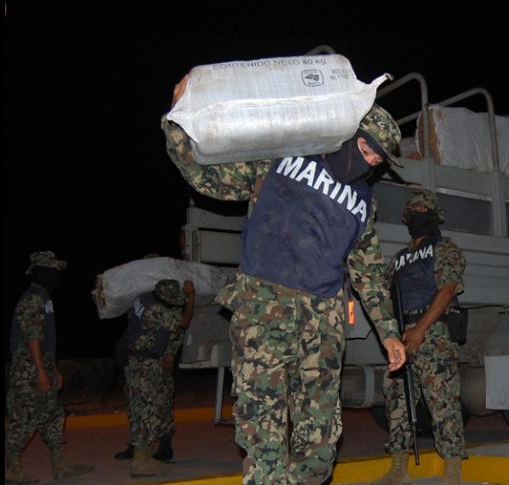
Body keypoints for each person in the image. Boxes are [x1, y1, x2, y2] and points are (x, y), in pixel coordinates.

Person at [161, 73, 407, 485]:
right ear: (348, 135)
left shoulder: (364, 203)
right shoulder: (284, 159)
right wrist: (177, 118)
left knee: (321, 447)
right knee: (264, 438)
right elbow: (207, 177)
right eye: (366, 150)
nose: (369, 163)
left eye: (377, 161)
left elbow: (368, 273)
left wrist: (389, 333)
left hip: (322, 324)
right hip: (263, 309)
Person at [376, 190, 468, 485]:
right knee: (396, 401)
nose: (418, 215)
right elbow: (384, 296)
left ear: (435, 216)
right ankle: (399, 468)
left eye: (423, 211)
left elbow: (447, 290)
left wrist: (420, 330)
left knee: (442, 402)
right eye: (413, 211)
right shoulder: (399, 259)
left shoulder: (445, 248)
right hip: (403, 335)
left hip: (433, 334)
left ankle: (452, 471)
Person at [5, 251, 94, 483]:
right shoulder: (34, 298)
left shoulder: (44, 297)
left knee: (53, 414)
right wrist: (41, 371)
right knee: (24, 419)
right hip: (28, 371)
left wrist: (53, 369)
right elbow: (33, 337)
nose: (56, 276)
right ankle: (11, 467)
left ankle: (60, 465)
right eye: (53, 271)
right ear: (43, 272)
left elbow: (46, 341)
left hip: (40, 366)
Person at [119, 278, 195, 476]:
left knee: (141, 409)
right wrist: (191, 297)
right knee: (147, 411)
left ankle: (145, 457)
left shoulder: (143, 299)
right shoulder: (157, 310)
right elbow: (184, 322)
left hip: (136, 361)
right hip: (146, 364)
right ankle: (140, 462)